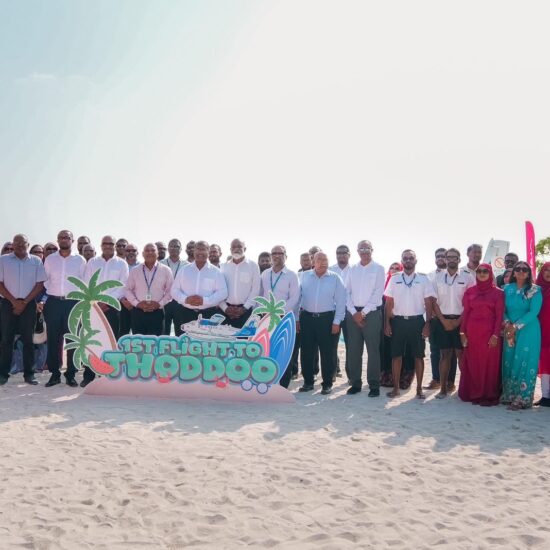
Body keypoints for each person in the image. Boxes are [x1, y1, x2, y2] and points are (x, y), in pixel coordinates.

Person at [384, 250, 433, 399]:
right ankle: (396, 388)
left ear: (416, 261)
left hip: (417, 322)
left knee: (419, 356)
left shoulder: (424, 279)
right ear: (402, 261)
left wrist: (427, 324)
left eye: (411, 258)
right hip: (398, 321)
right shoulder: (394, 279)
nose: (408, 260)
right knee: (396, 355)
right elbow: (388, 303)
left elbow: (428, 303)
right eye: (405, 258)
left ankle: (419, 389)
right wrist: (387, 323)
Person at [82, 235, 129, 387]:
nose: (108, 246)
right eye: (105, 243)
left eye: (111, 243)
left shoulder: (122, 264)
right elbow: (87, 282)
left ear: (115, 245)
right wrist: (96, 302)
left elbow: (123, 286)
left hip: (112, 308)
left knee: (111, 341)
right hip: (94, 307)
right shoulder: (92, 262)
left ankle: (110, 375)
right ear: (101, 245)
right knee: (92, 342)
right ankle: (88, 376)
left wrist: (107, 301)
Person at [0, 234, 46, 385]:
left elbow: (40, 284)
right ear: (13, 244)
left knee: (28, 340)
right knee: (6, 340)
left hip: (28, 304)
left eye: (23, 243)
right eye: (17, 242)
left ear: (28, 244)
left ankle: (29, 374)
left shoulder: (36, 261)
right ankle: (3, 374)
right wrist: (14, 302)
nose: (20, 245)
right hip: (8, 304)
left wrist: (24, 302)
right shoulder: (3, 260)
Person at [42, 230, 86, 387]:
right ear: (58, 240)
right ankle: (54, 374)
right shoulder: (50, 259)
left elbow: (84, 282)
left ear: (72, 240)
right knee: (53, 339)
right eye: (61, 237)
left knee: (73, 340)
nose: (64, 239)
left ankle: (71, 374)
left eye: (67, 237)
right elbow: (45, 281)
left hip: (72, 303)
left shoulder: (80, 260)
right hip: (54, 302)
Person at [298, 252, 346, 394]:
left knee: (328, 352)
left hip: (327, 319)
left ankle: (327, 383)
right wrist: (296, 318)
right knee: (306, 351)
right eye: (319, 259)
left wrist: (337, 321)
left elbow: (341, 301)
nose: (323, 262)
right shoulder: (303, 276)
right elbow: (297, 298)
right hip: (306, 318)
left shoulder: (335, 278)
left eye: (325, 259)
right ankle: (308, 382)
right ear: (313, 261)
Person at [431, 248, 475, 398]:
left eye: (454, 257)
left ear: (459, 259)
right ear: (445, 259)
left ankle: (466, 388)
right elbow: (433, 302)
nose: (450, 259)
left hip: (461, 321)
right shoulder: (437, 277)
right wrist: (443, 321)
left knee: (461, 355)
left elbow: (471, 303)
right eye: (448, 257)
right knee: (445, 355)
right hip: (442, 320)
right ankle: (443, 389)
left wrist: (458, 321)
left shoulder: (468, 277)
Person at [459, 264, 504, 406]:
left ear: (490, 273)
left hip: (490, 333)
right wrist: (462, 332)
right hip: (472, 332)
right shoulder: (470, 291)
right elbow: (466, 313)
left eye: (485, 271)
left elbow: (499, 316)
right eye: (479, 271)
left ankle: (488, 393)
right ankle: (474, 393)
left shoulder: (498, 293)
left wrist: (495, 335)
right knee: (473, 362)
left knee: (489, 364)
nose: (482, 273)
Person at [345, 240, 385, 396]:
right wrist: (353, 312)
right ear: (357, 251)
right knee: (354, 351)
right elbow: (346, 292)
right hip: (352, 313)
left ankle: (374, 385)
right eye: (361, 249)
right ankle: (355, 383)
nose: (364, 251)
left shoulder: (379, 269)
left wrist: (363, 313)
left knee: (373, 350)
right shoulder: (352, 269)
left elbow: (378, 293)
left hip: (371, 314)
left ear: (372, 250)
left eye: (367, 248)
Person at [501, 262, 542, 410]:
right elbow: (501, 309)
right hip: (509, 329)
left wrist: (516, 326)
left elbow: (534, 311)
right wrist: (508, 324)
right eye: (517, 269)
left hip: (528, 330)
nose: (521, 271)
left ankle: (522, 398)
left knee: (525, 361)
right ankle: (509, 395)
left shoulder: (535, 290)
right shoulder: (506, 289)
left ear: (529, 273)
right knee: (509, 360)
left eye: (525, 269)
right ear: (513, 272)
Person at [260, 245, 300, 388]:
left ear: (285, 256)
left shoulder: (292, 275)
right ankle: (268, 381)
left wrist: (277, 312)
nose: (277, 255)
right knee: (267, 350)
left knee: (283, 351)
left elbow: (295, 298)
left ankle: (283, 385)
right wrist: (262, 313)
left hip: (283, 318)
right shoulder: (265, 274)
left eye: (280, 253)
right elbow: (260, 295)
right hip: (266, 318)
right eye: (274, 253)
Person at [171, 240, 228, 334]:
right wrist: (185, 299)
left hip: (208, 316)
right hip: (185, 314)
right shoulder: (184, 270)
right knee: (185, 342)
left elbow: (223, 293)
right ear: (194, 251)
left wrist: (205, 300)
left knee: (205, 342)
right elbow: (174, 290)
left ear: (208, 251)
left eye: (203, 249)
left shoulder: (216, 272)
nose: (200, 252)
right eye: (198, 249)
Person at [425, 248, 457, 390]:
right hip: (435, 319)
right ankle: (436, 379)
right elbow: (428, 297)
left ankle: (450, 382)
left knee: (452, 352)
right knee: (435, 350)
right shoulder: (430, 276)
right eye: (437, 256)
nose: (440, 258)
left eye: (443, 256)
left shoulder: (458, 275)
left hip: (451, 318)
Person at [380, 261, 416, 389]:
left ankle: (405, 377)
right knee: (388, 349)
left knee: (406, 349)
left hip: (402, 321)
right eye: (392, 268)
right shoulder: (384, 284)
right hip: (387, 321)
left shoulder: (406, 283)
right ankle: (388, 376)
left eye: (397, 268)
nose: (394, 270)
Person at [125, 243, 173, 336]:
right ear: (143, 254)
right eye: (147, 251)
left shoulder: (166, 270)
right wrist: (137, 303)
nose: (150, 253)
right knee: (138, 342)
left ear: (157, 253)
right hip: (138, 312)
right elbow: (127, 290)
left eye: (153, 250)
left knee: (156, 343)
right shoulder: (135, 270)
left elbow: (170, 291)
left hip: (157, 313)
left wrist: (159, 304)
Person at [220, 239, 261, 328]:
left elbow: (255, 289)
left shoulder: (253, 266)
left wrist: (244, 308)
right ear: (230, 250)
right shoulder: (223, 266)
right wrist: (225, 308)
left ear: (244, 249)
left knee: (244, 337)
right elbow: (218, 289)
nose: (236, 249)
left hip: (246, 312)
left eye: (239, 247)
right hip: (226, 312)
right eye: (233, 247)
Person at [330, 245, 351, 379]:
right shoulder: (330, 270)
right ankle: (332, 372)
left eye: (344, 253)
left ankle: (351, 375)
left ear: (349, 255)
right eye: (338, 253)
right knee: (332, 345)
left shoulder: (355, 270)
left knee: (351, 345)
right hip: (333, 312)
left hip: (350, 312)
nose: (341, 255)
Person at [161, 239, 187, 335]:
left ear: (181, 249)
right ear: (168, 249)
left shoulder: (187, 265)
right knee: (164, 331)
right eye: (171, 246)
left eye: (176, 246)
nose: (174, 248)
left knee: (180, 332)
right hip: (164, 301)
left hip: (180, 302)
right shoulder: (160, 264)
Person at [535, 263, 550, 406]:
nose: (548, 273)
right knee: (544, 362)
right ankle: (545, 396)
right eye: (546, 270)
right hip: (540, 330)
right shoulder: (535, 289)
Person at [119, 243, 140, 337]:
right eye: (128, 250)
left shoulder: (142, 266)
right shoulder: (119, 266)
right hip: (122, 303)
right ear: (124, 252)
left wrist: (134, 302)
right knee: (122, 334)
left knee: (138, 334)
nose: (131, 252)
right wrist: (123, 300)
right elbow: (117, 285)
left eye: (133, 250)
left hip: (138, 304)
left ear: (137, 253)